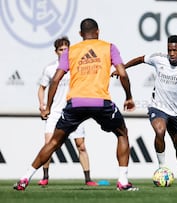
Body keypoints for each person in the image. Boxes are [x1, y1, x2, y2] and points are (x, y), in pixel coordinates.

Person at [13, 18, 138, 191]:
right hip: (101, 102)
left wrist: (48, 106)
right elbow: (122, 74)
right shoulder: (109, 47)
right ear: (98, 32)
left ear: (80, 34)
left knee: (54, 142)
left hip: (75, 103)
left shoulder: (70, 51)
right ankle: (123, 181)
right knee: (122, 133)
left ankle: (24, 178)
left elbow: (55, 80)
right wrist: (129, 97)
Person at [113, 35, 177, 188]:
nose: (172, 53)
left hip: (176, 112)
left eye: (175, 50)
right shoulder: (159, 58)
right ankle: (162, 167)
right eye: (169, 49)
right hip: (158, 107)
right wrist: (121, 68)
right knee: (160, 131)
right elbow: (140, 59)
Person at [37, 37, 97, 186]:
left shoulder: (77, 66)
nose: (64, 52)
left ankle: (88, 179)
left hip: (74, 111)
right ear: (56, 52)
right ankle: (45, 177)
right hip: (55, 112)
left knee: (81, 145)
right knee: (48, 144)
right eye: (61, 49)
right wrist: (42, 104)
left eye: (66, 49)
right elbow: (41, 88)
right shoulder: (50, 69)